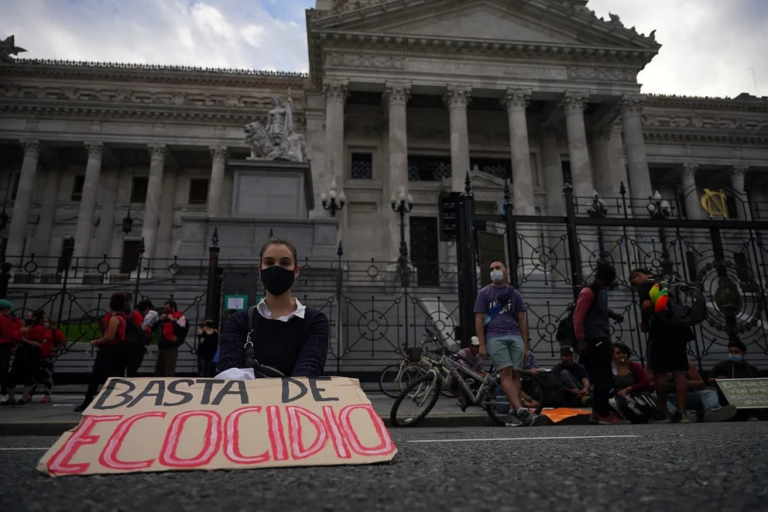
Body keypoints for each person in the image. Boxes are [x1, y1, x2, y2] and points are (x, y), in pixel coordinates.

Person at [217, 237, 329, 378]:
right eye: (269, 263)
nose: (276, 268)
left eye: (285, 263)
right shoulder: (237, 322)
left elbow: (309, 369)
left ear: (296, 270)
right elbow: (230, 373)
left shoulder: (315, 322)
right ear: (260, 270)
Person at [474, 259, 535, 427]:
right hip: (495, 337)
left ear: (506, 271)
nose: (494, 271)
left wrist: (526, 345)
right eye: (492, 268)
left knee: (516, 373)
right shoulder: (484, 293)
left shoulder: (514, 293)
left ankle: (512, 413)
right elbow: (479, 320)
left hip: (515, 336)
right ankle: (520, 409)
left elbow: (522, 320)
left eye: (498, 268)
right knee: (506, 372)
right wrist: (482, 344)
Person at [631, 268, 694, 424]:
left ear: (638, 275)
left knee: (660, 372)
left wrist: (646, 324)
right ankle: (682, 413)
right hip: (681, 329)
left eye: (634, 282)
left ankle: (662, 411)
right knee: (680, 371)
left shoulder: (646, 284)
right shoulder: (670, 282)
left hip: (661, 331)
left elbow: (646, 305)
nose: (635, 285)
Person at [573, 263, 627, 425]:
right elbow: (578, 317)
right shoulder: (588, 292)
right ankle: (603, 413)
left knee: (601, 377)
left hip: (602, 336)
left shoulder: (601, 291)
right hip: (593, 339)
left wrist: (612, 315)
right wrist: (580, 340)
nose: (606, 286)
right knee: (604, 376)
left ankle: (597, 412)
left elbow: (599, 309)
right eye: (604, 282)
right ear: (599, 278)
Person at [74, 293, 128, 412]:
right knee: (113, 376)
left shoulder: (115, 319)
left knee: (96, 376)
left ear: (111, 305)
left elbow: (110, 337)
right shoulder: (122, 317)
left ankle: (88, 401)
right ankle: (116, 401)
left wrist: (96, 342)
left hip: (109, 350)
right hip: (117, 350)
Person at [651, 360, 738, 423]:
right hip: (669, 398)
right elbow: (649, 384)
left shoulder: (687, 364)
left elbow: (701, 384)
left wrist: (683, 382)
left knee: (709, 393)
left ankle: (712, 411)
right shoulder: (657, 365)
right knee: (655, 395)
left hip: (689, 395)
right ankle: (675, 414)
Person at [6, 310, 46, 406]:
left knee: (27, 375)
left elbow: (38, 344)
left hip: (30, 353)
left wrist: (24, 340)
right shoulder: (27, 327)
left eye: (30, 315)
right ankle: (11, 398)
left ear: (35, 317)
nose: (27, 317)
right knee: (13, 375)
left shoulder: (38, 328)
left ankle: (24, 398)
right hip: (22, 352)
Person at [35, 316, 67, 403]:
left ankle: (47, 394)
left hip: (48, 355)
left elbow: (63, 340)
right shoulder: (39, 331)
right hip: (39, 354)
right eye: (44, 322)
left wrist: (56, 348)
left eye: (47, 322)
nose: (45, 323)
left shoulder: (54, 331)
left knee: (47, 374)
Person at [448, 336, 485, 411]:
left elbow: (480, 369)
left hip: (470, 378)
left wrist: (483, 374)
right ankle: (461, 397)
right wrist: (478, 374)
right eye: (477, 346)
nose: (478, 348)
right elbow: (464, 368)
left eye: (479, 346)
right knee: (462, 371)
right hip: (456, 380)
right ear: (471, 346)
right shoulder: (463, 353)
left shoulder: (477, 357)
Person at [155, 300, 188, 377]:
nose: (166, 310)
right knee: (159, 370)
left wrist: (173, 320)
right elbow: (154, 328)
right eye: (165, 308)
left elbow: (181, 330)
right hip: (162, 346)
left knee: (169, 369)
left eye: (167, 308)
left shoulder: (180, 317)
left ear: (173, 308)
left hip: (171, 347)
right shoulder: (165, 318)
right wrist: (160, 320)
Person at [118, 293, 146, 377]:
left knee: (130, 370)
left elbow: (140, 329)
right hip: (121, 344)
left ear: (131, 301)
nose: (125, 302)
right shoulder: (116, 314)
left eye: (127, 300)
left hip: (132, 346)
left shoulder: (135, 314)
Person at [0, 299, 22, 404]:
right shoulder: (5, 320)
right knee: (3, 369)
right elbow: (10, 334)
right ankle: (2, 393)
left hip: (5, 345)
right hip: (4, 346)